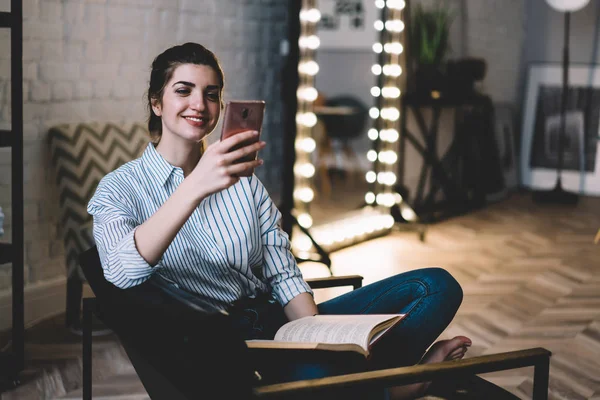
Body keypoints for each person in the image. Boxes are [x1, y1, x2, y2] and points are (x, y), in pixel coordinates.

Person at [87, 42, 471, 399]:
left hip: (280, 324)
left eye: (211, 93)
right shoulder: (120, 188)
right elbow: (121, 272)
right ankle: (404, 384)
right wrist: (194, 188)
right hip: (228, 349)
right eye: (183, 90)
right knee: (322, 372)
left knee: (436, 286)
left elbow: (283, 274)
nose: (199, 105)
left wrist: (318, 333)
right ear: (156, 103)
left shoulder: (245, 183)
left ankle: (358, 375)